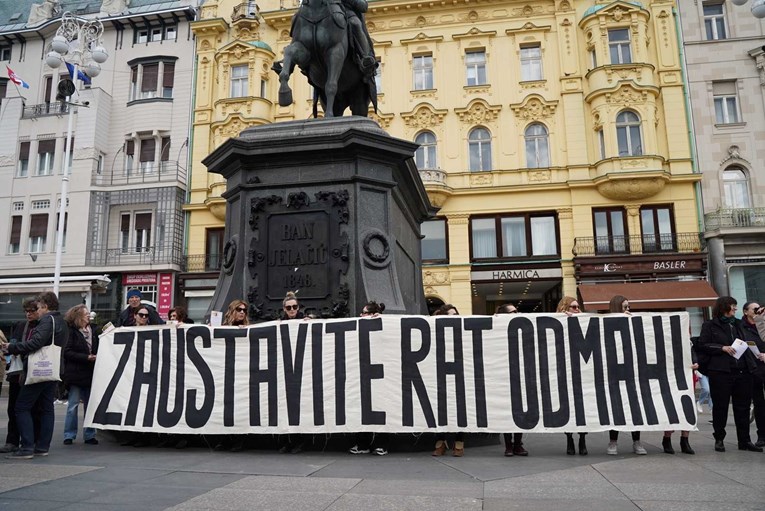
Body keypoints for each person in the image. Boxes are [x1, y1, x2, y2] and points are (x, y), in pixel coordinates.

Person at [2, 292, 68, 459]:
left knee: (22, 407)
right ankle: (42, 447)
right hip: (53, 369)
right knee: (46, 409)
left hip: (39, 369)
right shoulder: (61, 321)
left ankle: (26, 448)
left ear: (45, 306)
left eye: (38, 307)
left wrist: (12, 347)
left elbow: (36, 342)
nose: (36, 311)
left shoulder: (47, 320)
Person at [697, 296, 762, 452]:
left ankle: (744, 440)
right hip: (720, 372)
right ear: (724, 307)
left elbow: (753, 338)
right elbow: (703, 345)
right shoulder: (710, 325)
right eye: (733, 306)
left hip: (743, 370)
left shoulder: (739, 324)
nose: (735, 309)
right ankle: (719, 438)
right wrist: (722, 348)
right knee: (721, 406)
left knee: (743, 407)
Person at [605, 295, 647, 455]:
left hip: (632, 373)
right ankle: (613, 441)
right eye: (625, 307)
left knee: (635, 408)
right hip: (614, 373)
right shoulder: (607, 325)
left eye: (629, 307)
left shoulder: (633, 323)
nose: (628, 310)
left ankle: (636, 441)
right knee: (615, 408)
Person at [349, 301, 391, 456]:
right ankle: (362, 443)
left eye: (364, 312)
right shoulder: (358, 327)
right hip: (363, 373)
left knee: (381, 409)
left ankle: (381, 444)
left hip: (381, 374)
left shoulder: (384, 326)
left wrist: (382, 321)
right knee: (362, 408)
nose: (361, 315)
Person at [0, 299, 42, 453]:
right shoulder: (20, 325)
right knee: (13, 407)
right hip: (17, 372)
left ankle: (32, 440)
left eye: (32, 311)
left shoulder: (42, 326)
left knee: (33, 408)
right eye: (27, 311)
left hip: (35, 370)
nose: (28, 314)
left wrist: (15, 347)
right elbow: (14, 343)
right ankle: (12, 440)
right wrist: (8, 348)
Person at [212, 300, 251, 452]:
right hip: (225, 372)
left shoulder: (248, 328)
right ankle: (224, 438)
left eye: (244, 310)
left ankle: (238, 439)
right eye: (239, 309)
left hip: (242, 373)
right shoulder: (221, 327)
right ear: (232, 311)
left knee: (240, 406)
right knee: (225, 406)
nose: (242, 312)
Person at [431, 303, 467, 457]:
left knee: (460, 408)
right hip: (441, 374)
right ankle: (441, 442)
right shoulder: (436, 331)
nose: (456, 317)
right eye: (452, 315)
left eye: (456, 314)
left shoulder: (463, 329)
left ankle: (459, 443)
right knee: (440, 409)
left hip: (460, 373)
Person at [62, 305, 99, 446]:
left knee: (90, 406)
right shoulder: (71, 332)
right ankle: (69, 434)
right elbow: (67, 351)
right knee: (73, 405)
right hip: (76, 374)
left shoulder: (94, 330)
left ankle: (90, 434)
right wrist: (86, 357)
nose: (88, 316)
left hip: (91, 373)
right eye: (86, 314)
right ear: (78, 317)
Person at [495, 303, 528, 457]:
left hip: (520, 375)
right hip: (502, 377)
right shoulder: (497, 331)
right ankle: (509, 445)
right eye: (513, 312)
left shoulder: (523, 329)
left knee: (521, 411)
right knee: (506, 411)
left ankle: (518, 444)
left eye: (517, 311)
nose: (517, 313)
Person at [557, 296, 587, 456]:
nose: (576, 310)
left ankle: (582, 439)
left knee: (582, 407)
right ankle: (569, 438)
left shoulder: (582, 320)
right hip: (565, 372)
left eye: (577, 307)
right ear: (565, 308)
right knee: (568, 407)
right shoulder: (558, 322)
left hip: (582, 371)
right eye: (573, 307)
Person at [279, 292, 308, 453]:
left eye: (294, 307)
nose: (292, 310)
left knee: (299, 407)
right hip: (285, 370)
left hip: (301, 370)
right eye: (289, 307)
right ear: (284, 308)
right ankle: (287, 441)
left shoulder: (306, 320)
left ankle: (299, 441)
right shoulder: (279, 323)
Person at [742, 302, 765, 447]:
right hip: (753, 368)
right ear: (746, 312)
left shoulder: (762, 322)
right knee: (759, 403)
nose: (757, 311)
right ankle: (762, 434)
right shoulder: (741, 326)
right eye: (754, 309)